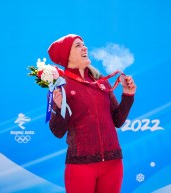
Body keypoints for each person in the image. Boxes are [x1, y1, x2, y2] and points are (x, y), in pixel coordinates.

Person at [47, 34, 136, 193]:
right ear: (66, 55)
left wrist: (128, 95)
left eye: (84, 44)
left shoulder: (101, 82)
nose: (85, 47)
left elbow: (118, 120)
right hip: (81, 166)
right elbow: (57, 131)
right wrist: (60, 107)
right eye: (78, 45)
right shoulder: (61, 85)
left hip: (113, 164)